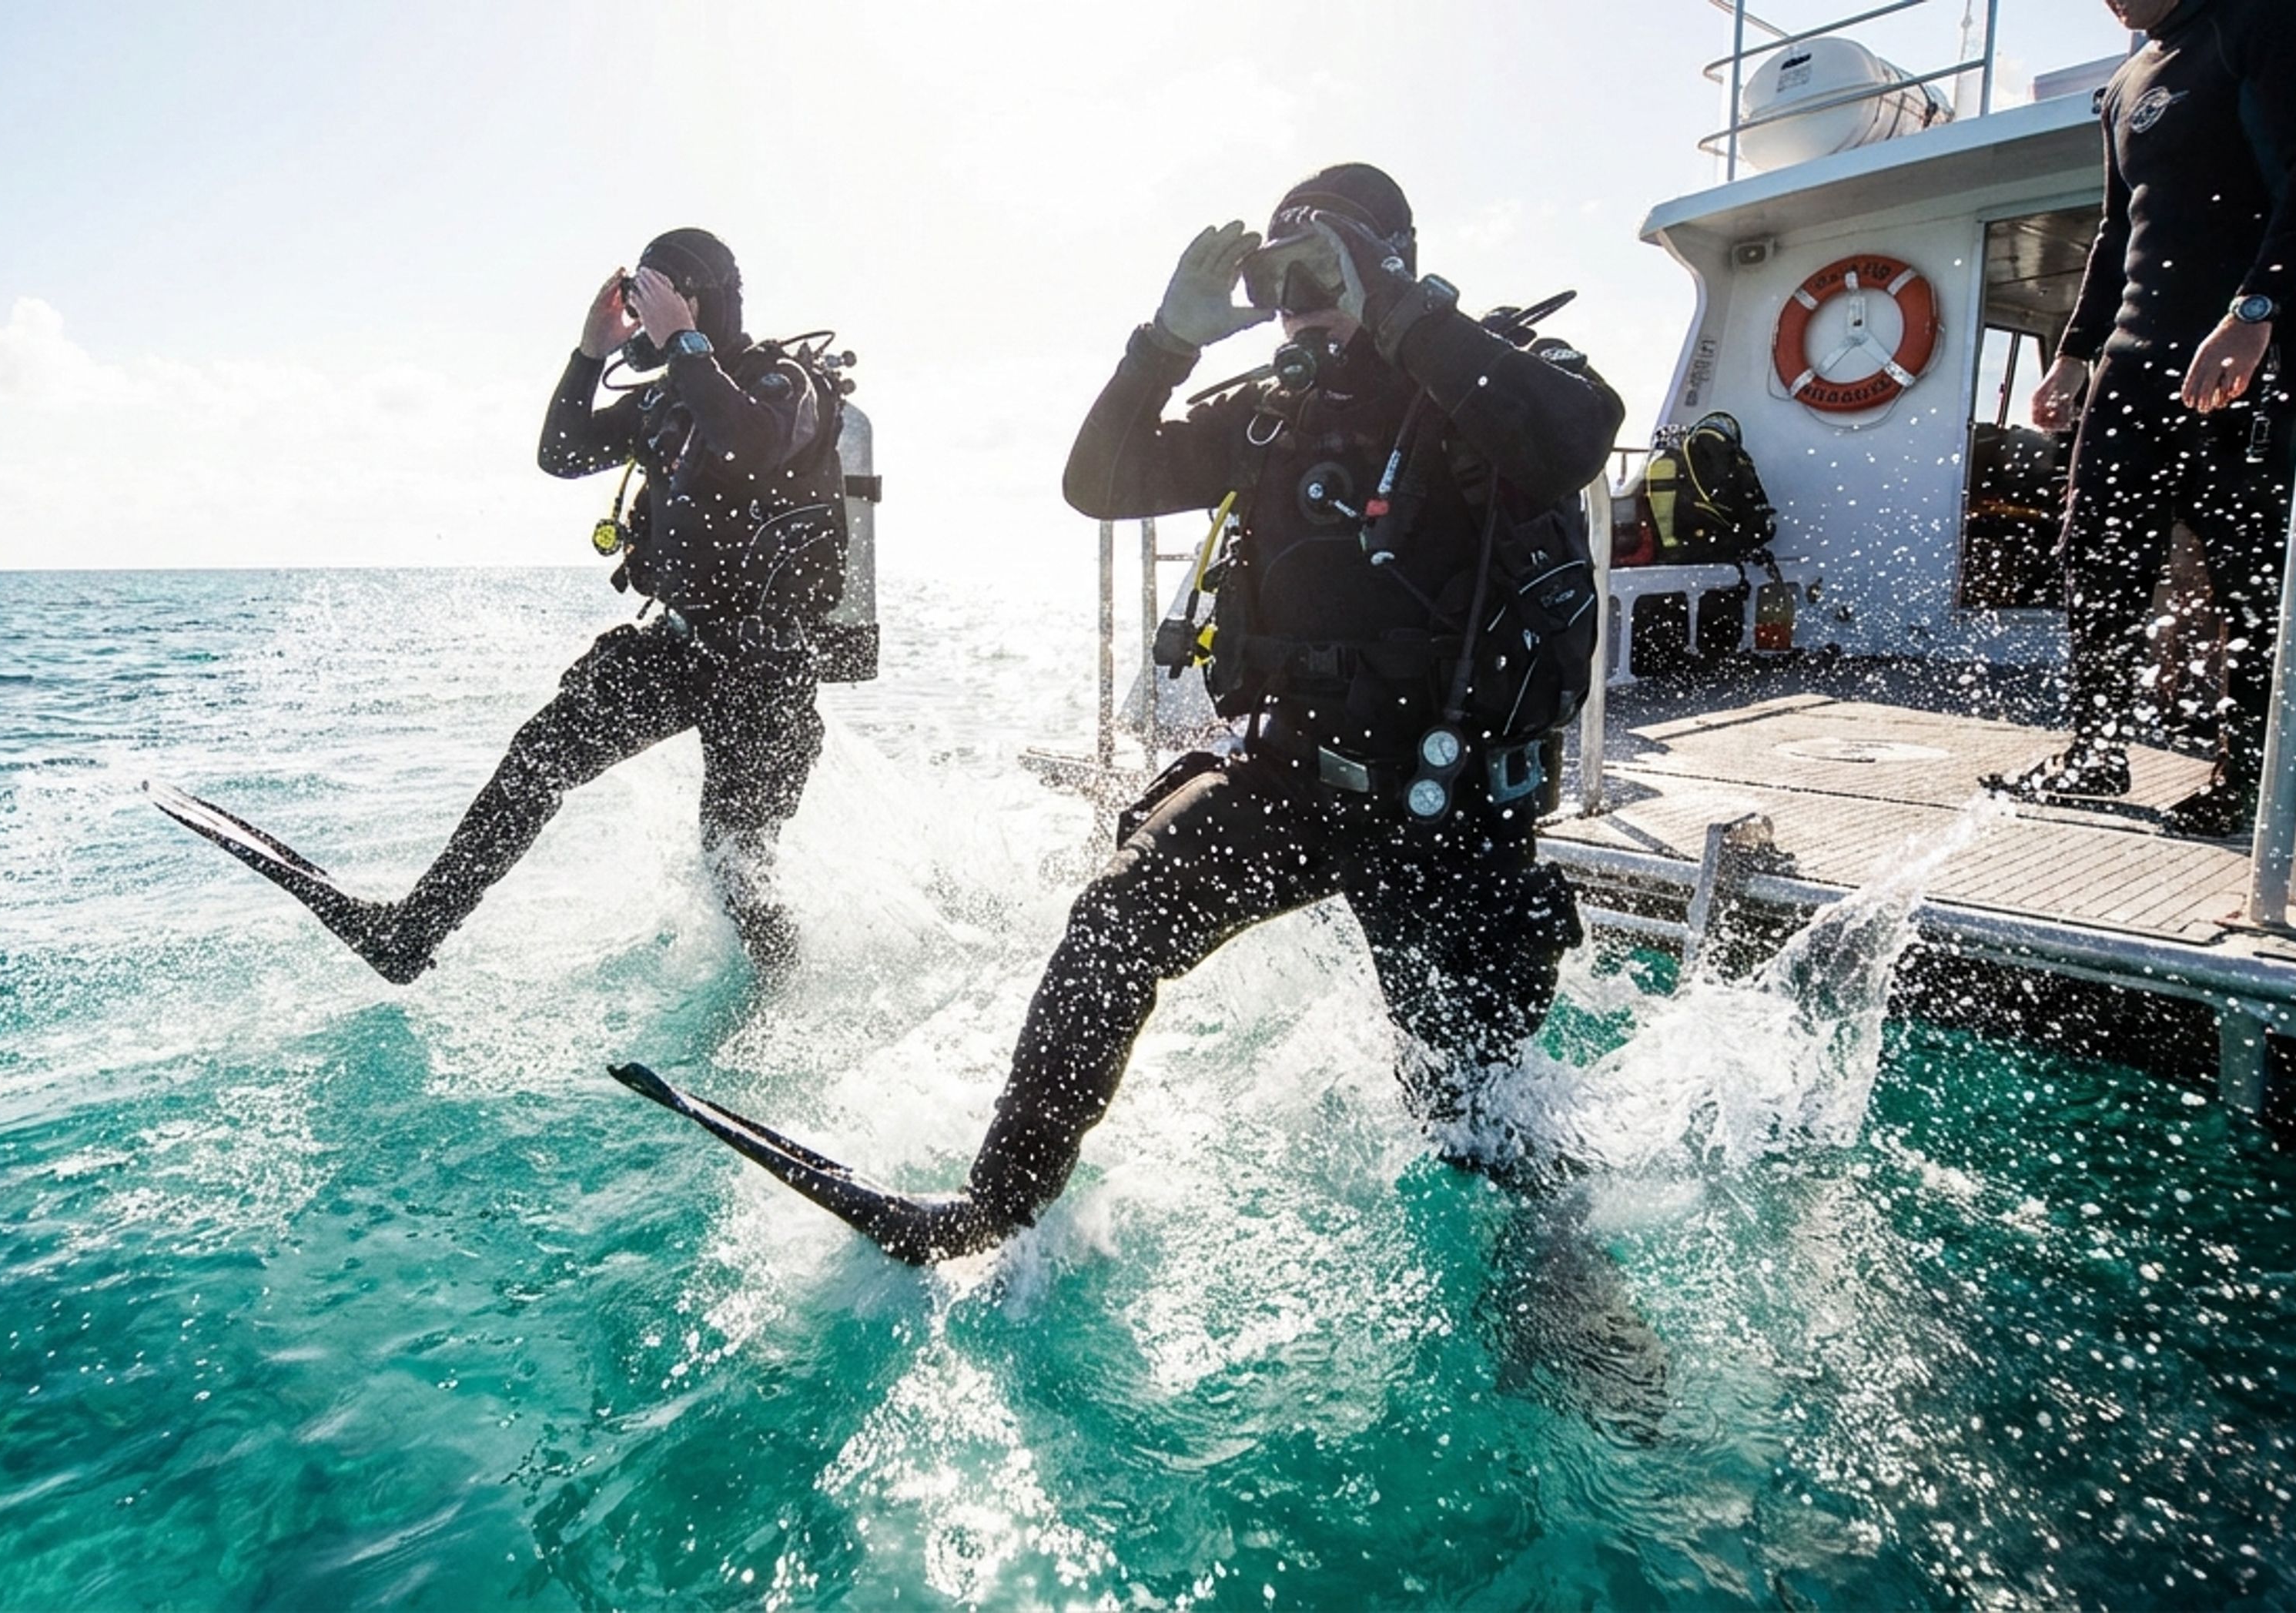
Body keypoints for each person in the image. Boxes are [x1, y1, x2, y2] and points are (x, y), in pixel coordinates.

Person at [624, 165, 1626, 1263]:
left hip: (1453, 807)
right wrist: (1165, 343)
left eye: (1321, 273)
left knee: (1471, 1116)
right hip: (1295, 777)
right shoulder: (1275, 414)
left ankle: (1559, 1286)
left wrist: (1391, 302)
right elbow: (1097, 481)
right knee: (1115, 919)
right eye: (1278, 284)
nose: (1296, 306)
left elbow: (1572, 439)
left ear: (1392, 264)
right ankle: (993, 1206)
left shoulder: (1486, 378)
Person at [156, 228, 848, 980]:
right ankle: (410, 934)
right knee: (539, 758)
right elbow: (564, 453)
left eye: (655, 296)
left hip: (766, 668)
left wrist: (683, 341)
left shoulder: (785, 383)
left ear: (696, 298)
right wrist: (590, 354)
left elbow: (746, 444)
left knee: (737, 866)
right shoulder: (666, 401)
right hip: (680, 647)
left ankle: (785, 994)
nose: (644, 317)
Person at [1986, 0, 2296, 838]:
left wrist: (2256, 310)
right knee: (2099, 553)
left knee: (2251, 566)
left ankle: (2250, 775)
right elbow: (2117, 227)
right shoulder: (2129, 81)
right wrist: (2074, 353)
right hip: (2136, 356)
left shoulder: (2275, 21)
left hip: (2249, 338)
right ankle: (2095, 749)